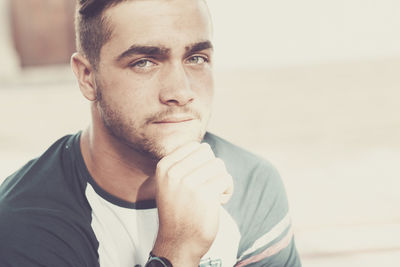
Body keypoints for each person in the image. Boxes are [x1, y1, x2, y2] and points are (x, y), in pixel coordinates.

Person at [0, 0, 302, 266]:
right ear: (88, 77)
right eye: (144, 62)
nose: (181, 92)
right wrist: (177, 252)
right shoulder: (25, 222)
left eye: (196, 58)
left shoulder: (251, 187)